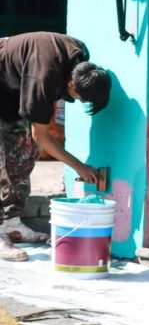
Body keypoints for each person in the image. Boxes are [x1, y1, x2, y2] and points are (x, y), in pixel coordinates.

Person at [0, 33, 111, 262]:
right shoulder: (43, 77)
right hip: (6, 81)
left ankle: (11, 223)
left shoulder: (80, 56)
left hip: (9, 93)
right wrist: (78, 166)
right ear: (71, 84)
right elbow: (40, 135)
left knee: (24, 153)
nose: (77, 101)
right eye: (79, 97)